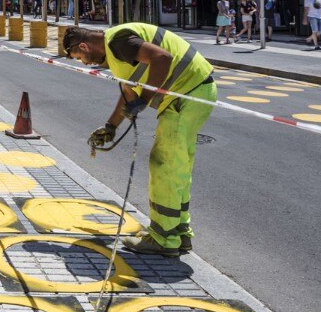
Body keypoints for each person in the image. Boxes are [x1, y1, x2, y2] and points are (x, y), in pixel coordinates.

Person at [63, 24, 218, 257]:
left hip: (187, 95)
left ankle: (164, 239)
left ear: (84, 46)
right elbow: (128, 93)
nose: (85, 63)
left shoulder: (118, 42)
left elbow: (162, 58)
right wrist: (110, 127)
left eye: (81, 57)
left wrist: (145, 99)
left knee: (164, 166)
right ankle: (180, 232)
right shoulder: (118, 52)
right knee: (178, 167)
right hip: (194, 93)